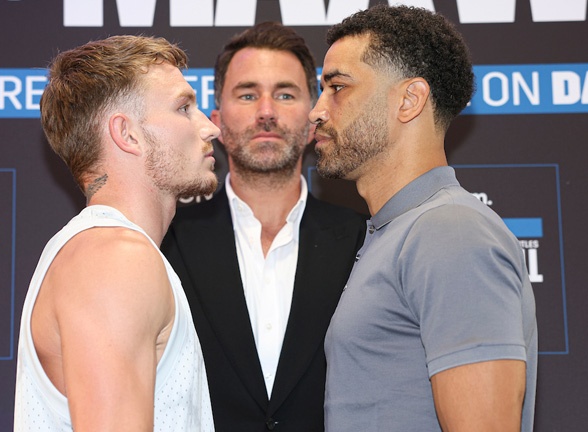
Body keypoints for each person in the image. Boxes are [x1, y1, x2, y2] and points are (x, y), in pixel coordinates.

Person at [309, 5, 537, 432]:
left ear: (410, 100)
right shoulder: (397, 231)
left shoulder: (449, 233)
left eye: (337, 87)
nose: (316, 110)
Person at [161, 22, 366, 432]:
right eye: (248, 94)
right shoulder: (165, 242)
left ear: (314, 120)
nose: (267, 111)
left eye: (285, 94)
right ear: (216, 118)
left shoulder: (367, 241)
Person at [14, 35, 219, 431]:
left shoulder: (104, 251)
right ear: (128, 134)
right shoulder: (114, 258)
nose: (209, 127)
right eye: (183, 107)